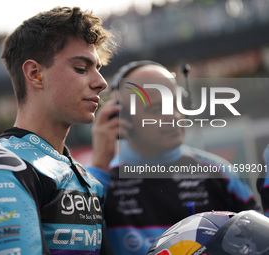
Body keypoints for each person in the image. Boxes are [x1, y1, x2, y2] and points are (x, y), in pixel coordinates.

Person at [0, 6, 116, 255]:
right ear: (35, 74)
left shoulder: (87, 181)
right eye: (81, 68)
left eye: (98, 68)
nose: (101, 82)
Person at [88, 60, 260, 255]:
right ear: (121, 118)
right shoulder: (99, 181)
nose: (174, 116)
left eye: (177, 103)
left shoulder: (219, 173)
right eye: (156, 109)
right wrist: (99, 165)